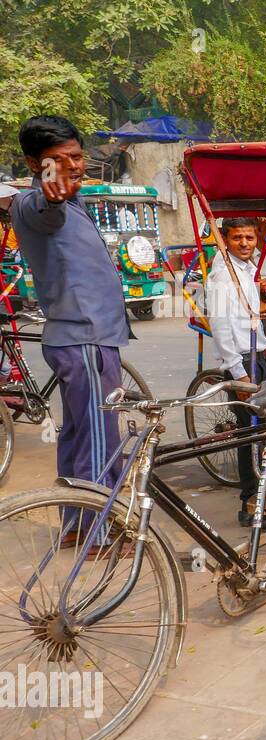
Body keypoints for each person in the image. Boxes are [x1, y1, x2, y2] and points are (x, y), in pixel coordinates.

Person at [9, 115, 132, 510]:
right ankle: (98, 532)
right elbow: (47, 209)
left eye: (77, 156)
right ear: (34, 164)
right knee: (100, 437)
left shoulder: (73, 199)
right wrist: (52, 194)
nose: (74, 166)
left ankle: (76, 525)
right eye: (60, 160)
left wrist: (62, 192)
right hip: (84, 338)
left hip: (85, 338)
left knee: (80, 434)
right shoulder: (36, 202)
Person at [205, 217, 266, 523]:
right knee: (249, 435)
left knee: (260, 431)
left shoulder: (247, 271)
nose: (245, 243)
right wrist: (239, 373)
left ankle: (263, 496)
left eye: (249, 237)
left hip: (256, 356)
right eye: (237, 238)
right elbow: (221, 329)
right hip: (242, 362)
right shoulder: (223, 277)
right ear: (225, 239)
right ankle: (250, 500)